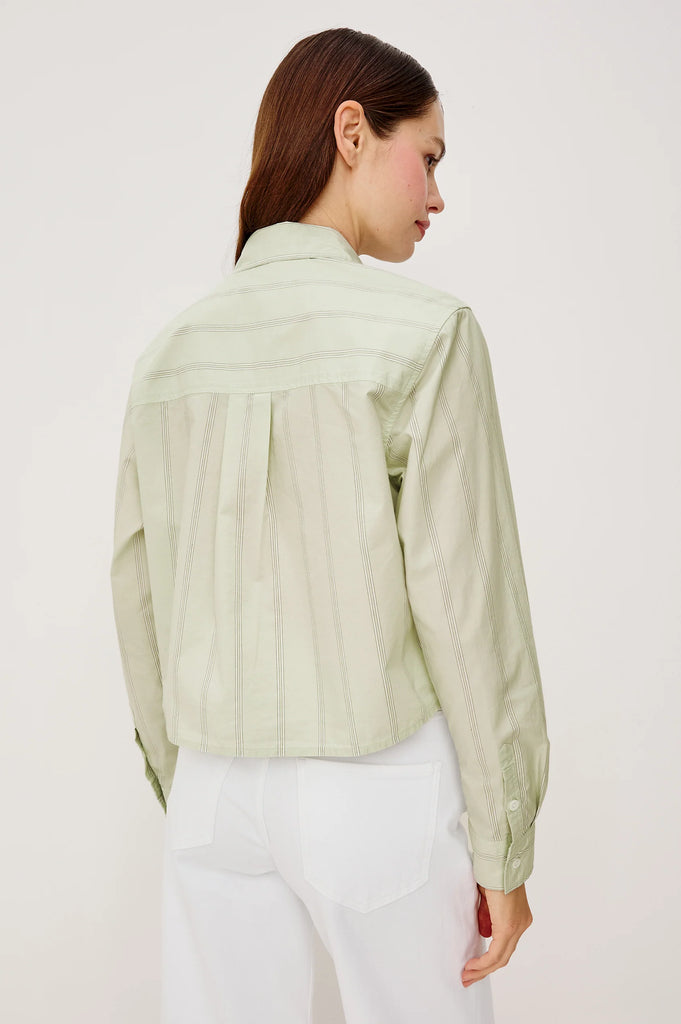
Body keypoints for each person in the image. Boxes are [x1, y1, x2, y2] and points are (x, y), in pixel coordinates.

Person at [109, 26, 550, 1024]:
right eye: (427, 155)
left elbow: (140, 598)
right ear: (352, 132)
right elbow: (466, 611)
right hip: (376, 786)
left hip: (212, 790)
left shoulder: (170, 355)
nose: (436, 193)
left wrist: (189, 783)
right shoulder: (427, 335)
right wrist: (504, 841)